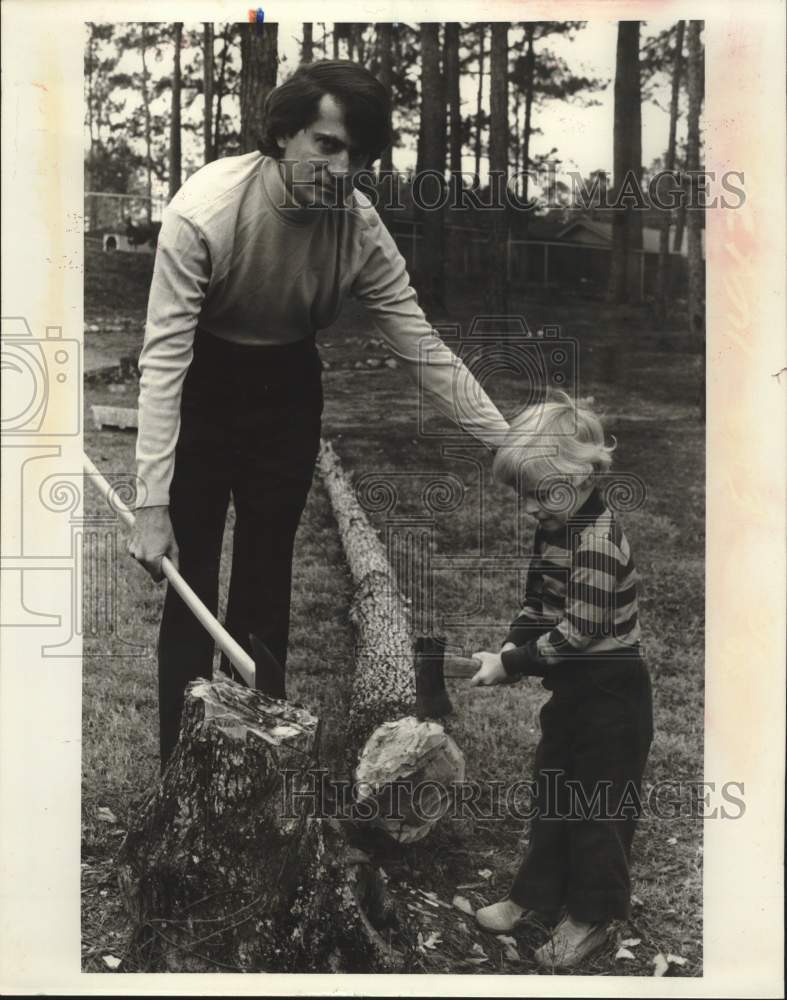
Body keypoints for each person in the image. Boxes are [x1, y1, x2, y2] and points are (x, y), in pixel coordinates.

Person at [128, 60, 510, 769]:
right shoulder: (203, 211)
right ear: (281, 135)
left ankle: (257, 764)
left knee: (266, 579)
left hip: (287, 385)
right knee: (192, 583)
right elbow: (164, 361)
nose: (341, 170)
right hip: (204, 383)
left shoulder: (358, 227)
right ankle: (179, 768)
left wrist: (505, 442)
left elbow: (419, 346)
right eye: (326, 146)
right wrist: (151, 502)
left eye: (357, 156)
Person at [469, 391, 653, 970]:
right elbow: (538, 602)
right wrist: (510, 642)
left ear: (576, 480)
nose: (528, 509)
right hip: (573, 689)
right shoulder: (555, 526)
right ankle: (537, 895)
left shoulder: (597, 541)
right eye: (522, 496)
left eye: (536, 494)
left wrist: (514, 664)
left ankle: (592, 915)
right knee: (552, 786)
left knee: (598, 804)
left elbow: (575, 633)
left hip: (612, 690)